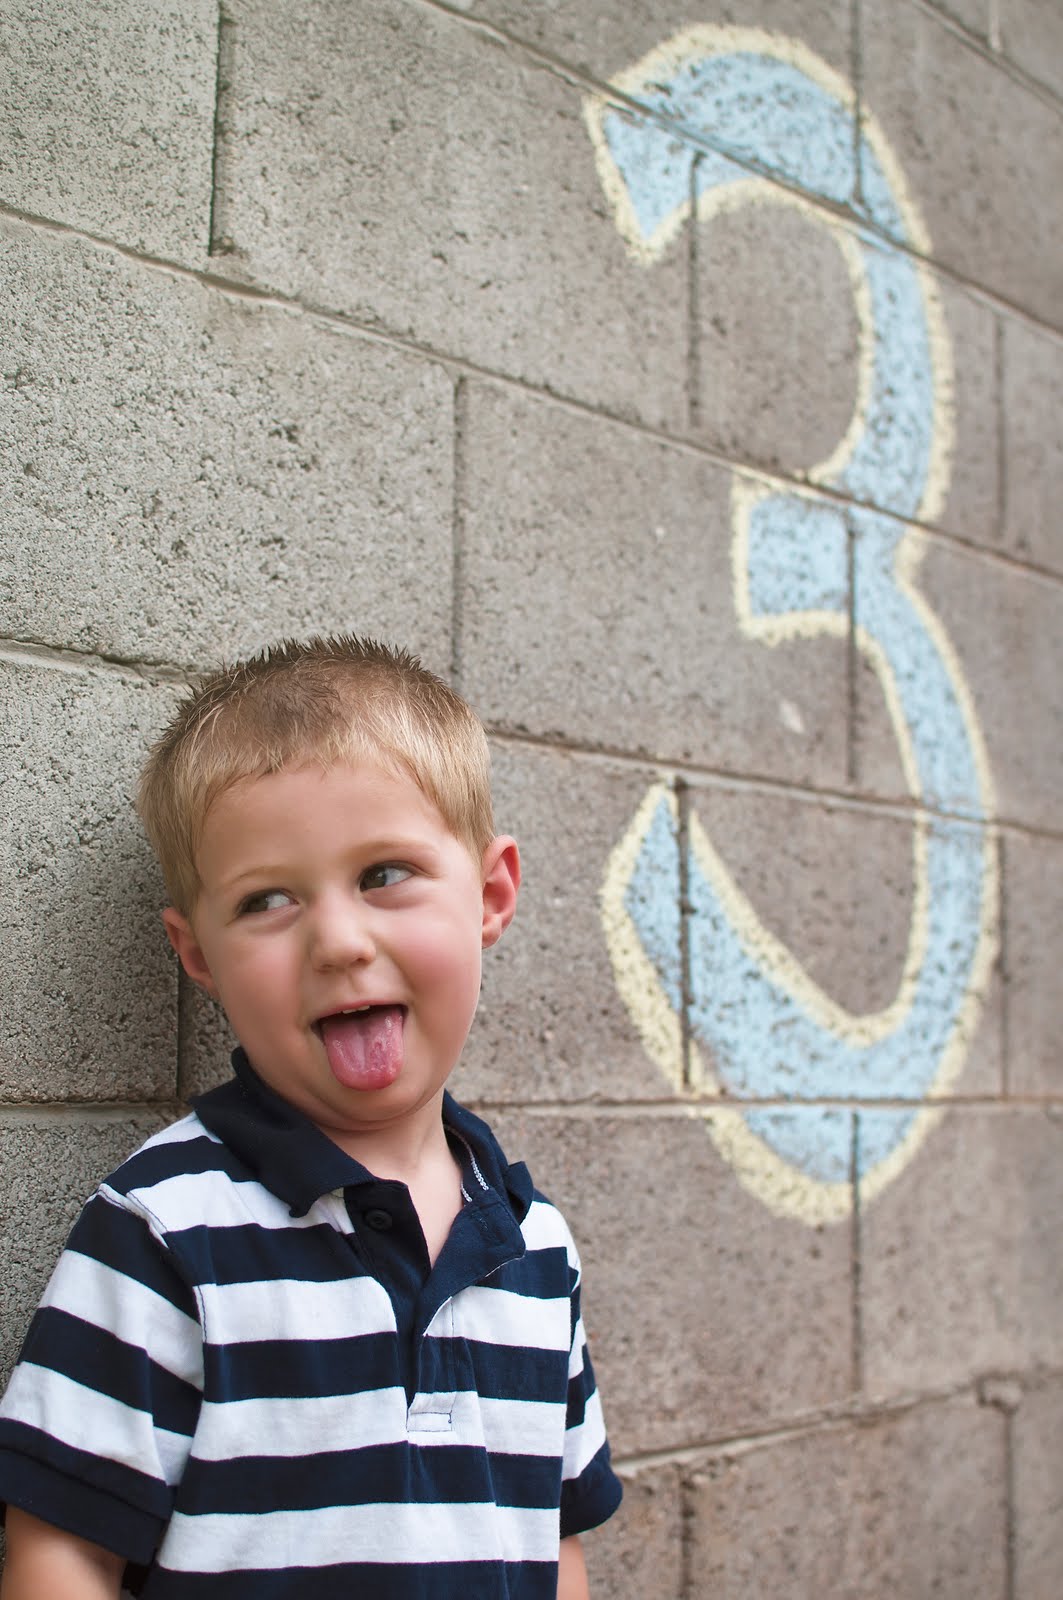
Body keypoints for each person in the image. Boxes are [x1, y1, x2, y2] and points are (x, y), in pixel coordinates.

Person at [0, 635, 621, 1599]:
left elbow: (554, 1541)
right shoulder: (166, 1229)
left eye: (384, 875)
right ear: (198, 954)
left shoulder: (534, 1247)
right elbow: (60, 1555)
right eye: (267, 900)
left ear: (491, 894)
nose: (338, 941)